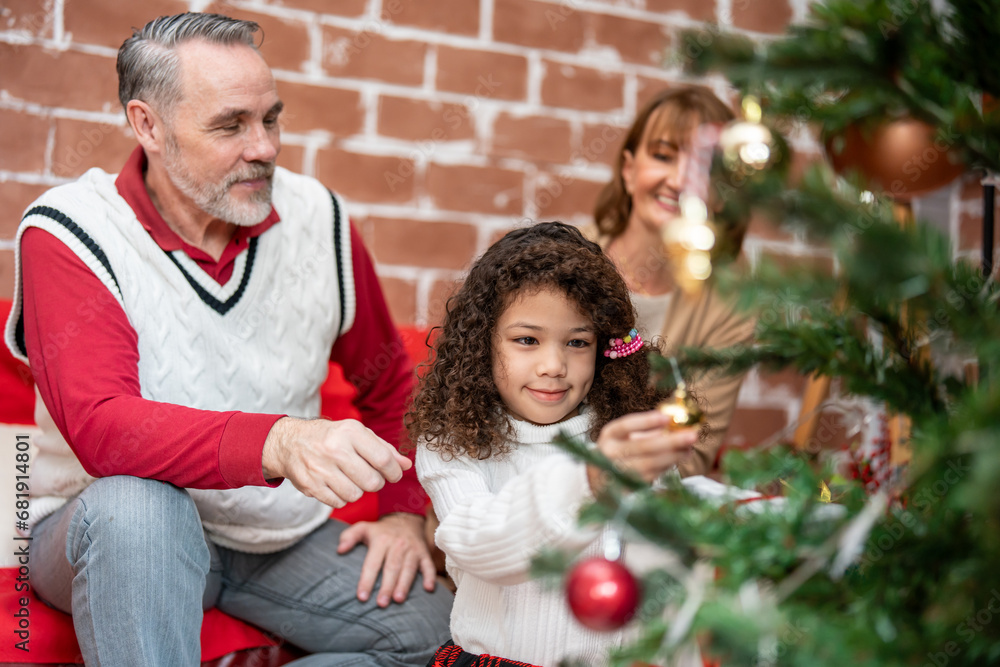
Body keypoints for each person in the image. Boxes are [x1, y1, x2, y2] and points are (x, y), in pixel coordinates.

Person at [3, 12, 451, 665]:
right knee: (140, 508)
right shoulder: (71, 231)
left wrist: (405, 515)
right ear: (148, 125)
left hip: (273, 537)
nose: (265, 146)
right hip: (105, 525)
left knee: (437, 633)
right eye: (230, 125)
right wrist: (281, 439)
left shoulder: (319, 218)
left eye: (270, 119)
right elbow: (104, 429)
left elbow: (391, 381)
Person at [406, 222, 701, 667]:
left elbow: (670, 574)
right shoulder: (452, 442)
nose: (553, 365)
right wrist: (590, 477)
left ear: (603, 347)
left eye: (577, 342)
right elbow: (482, 545)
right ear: (482, 343)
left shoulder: (628, 434)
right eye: (527, 340)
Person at [585, 86, 757, 478]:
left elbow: (692, 453)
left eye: (704, 168)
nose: (680, 181)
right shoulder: (560, 258)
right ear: (629, 171)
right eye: (663, 156)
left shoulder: (729, 305)